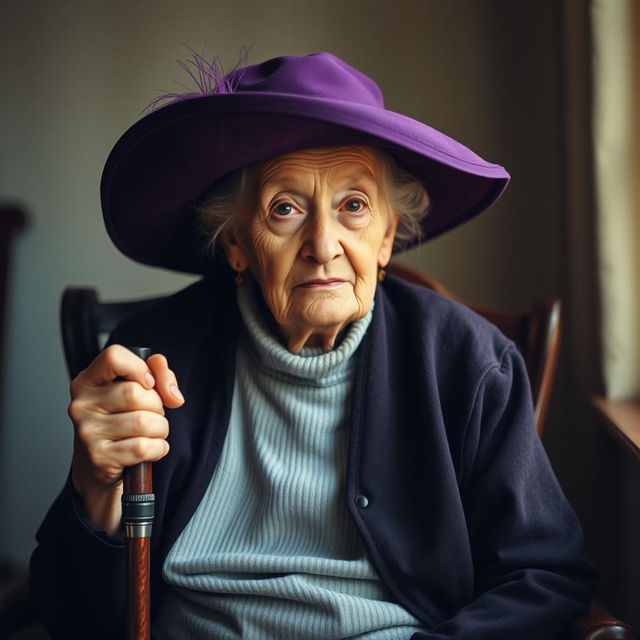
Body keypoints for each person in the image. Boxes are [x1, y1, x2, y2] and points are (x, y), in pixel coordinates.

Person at [30, 52, 596, 639]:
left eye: (353, 206)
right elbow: (71, 614)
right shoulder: (154, 359)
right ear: (236, 246)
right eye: (285, 209)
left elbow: (544, 576)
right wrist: (94, 488)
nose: (323, 244)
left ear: (386, 240)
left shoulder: (471, 362)